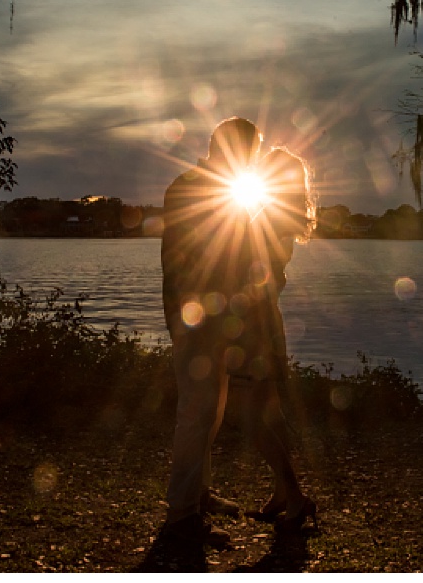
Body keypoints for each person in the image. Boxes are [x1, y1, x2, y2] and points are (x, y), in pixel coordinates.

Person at [160, 117, 262, 547]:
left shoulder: (228, 191)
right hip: (195, 318)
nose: (253, 157)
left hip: (218, 318)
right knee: (196, 412)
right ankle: (182, 515)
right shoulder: (188, 188)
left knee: (212, 411)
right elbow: (183, 262)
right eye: (250, 149)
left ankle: (198, 495)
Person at [232, 145, 319, 531]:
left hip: (256, 325)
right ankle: (284, 493)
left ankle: (296, 496)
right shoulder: (282, 218)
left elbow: (257, 277)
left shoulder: (271, 220)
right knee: (269, 409)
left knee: (252, 417)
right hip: (266, 322)